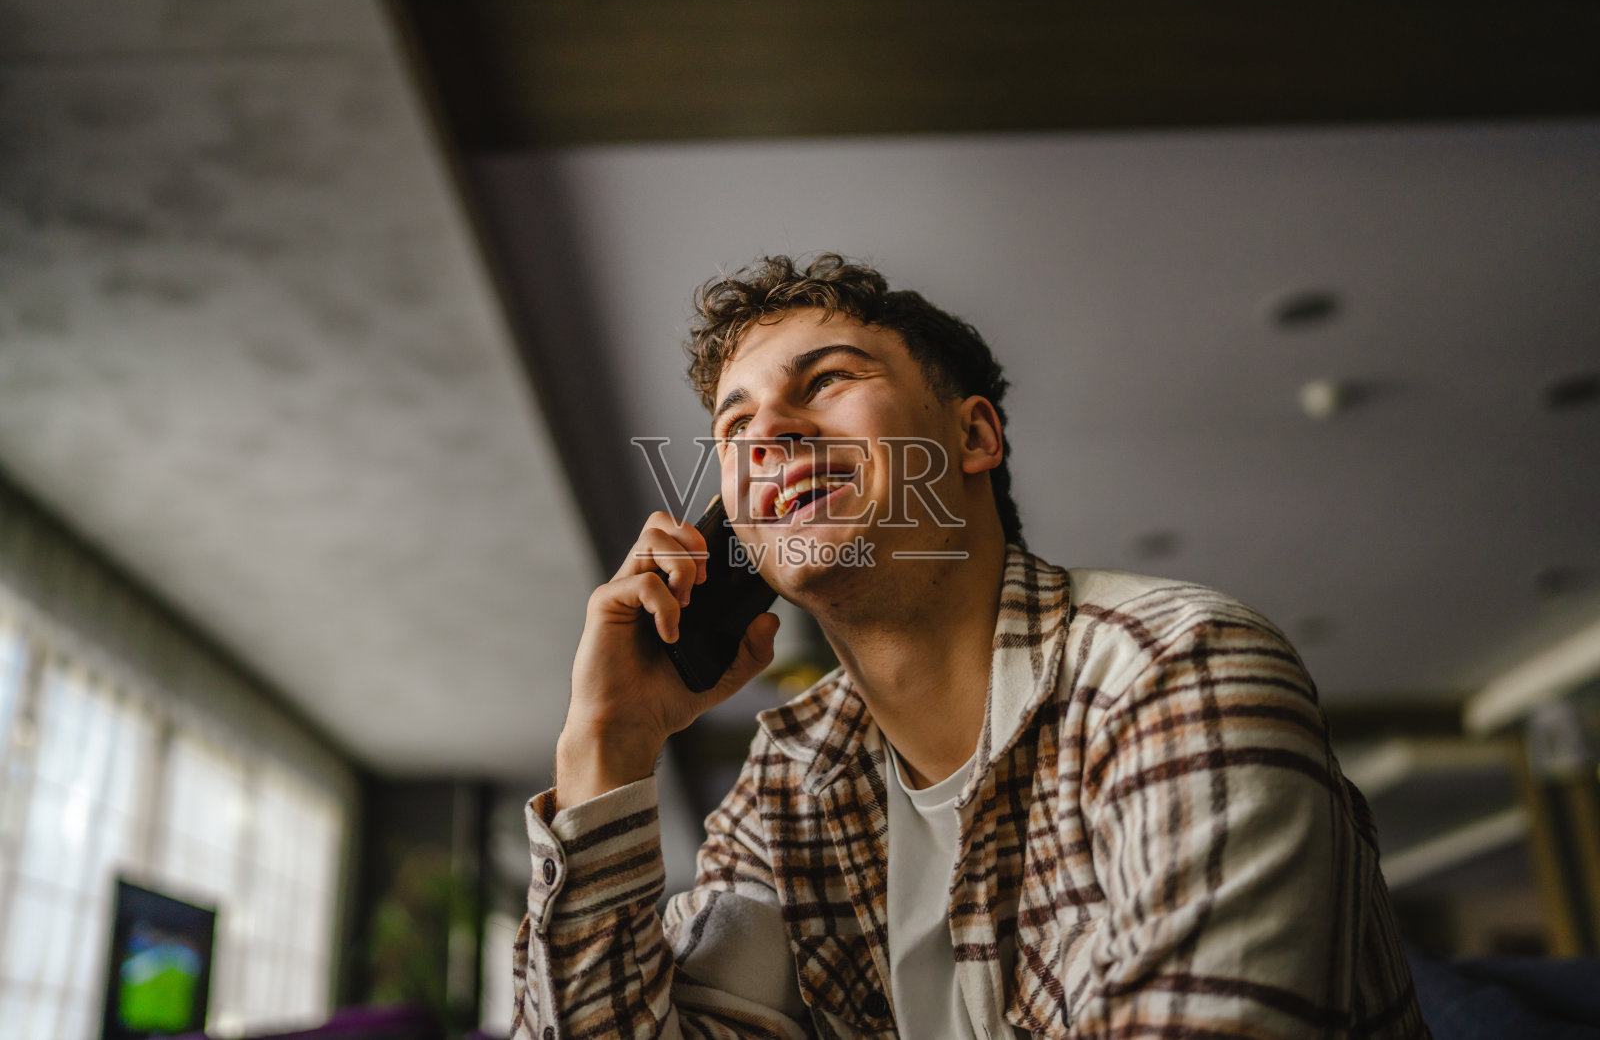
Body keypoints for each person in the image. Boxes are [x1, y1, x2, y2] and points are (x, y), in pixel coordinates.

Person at [511, 254, 1428, 1039]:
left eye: (825, 380)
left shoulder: (1180, 667)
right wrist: (607, 743)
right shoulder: (788, 783)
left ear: (974, 434)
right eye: (735, 428)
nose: (769, 438)